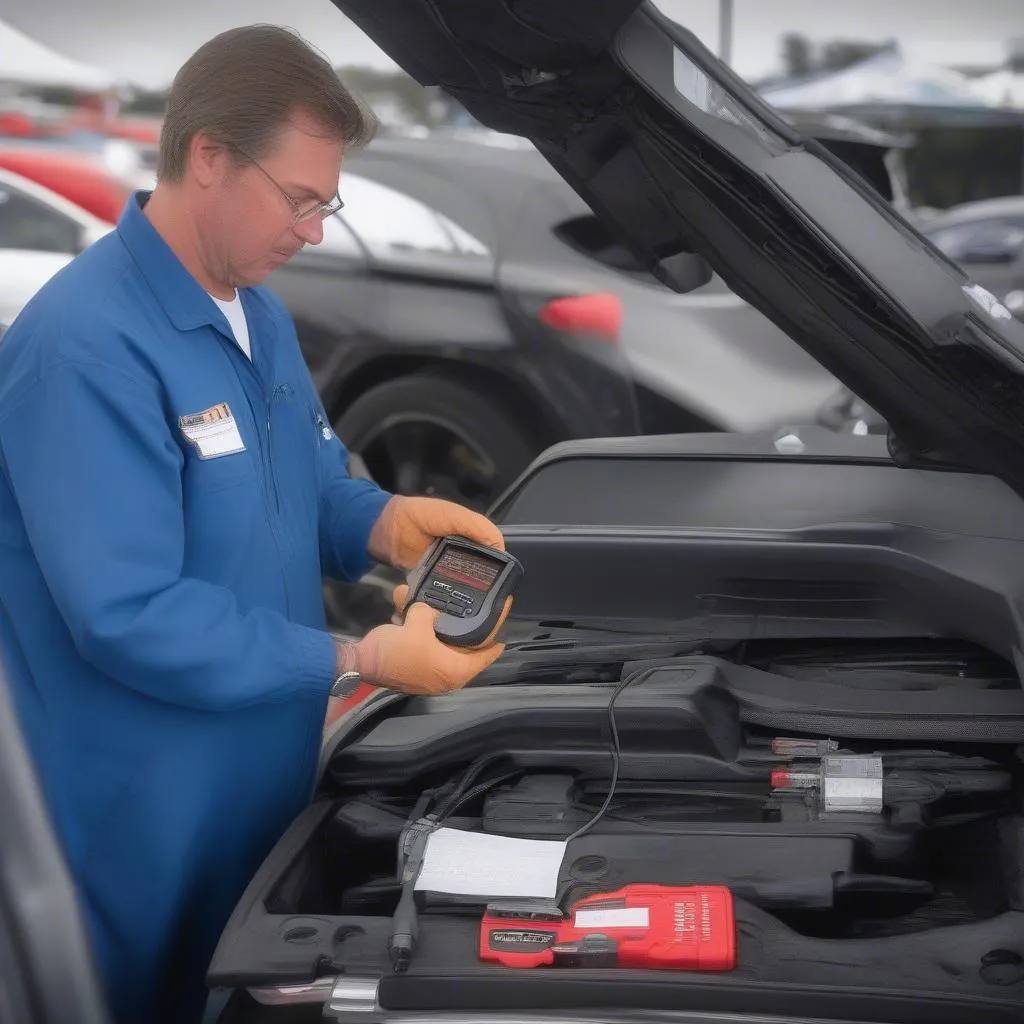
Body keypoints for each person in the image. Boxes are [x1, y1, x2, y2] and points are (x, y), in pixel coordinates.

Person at [0, 25, 510, 1024]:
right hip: (135, 816)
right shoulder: (86, 347)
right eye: (302, 197)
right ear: (207, 158)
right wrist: (359, 656)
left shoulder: (254, 311)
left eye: (329, 202)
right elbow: (126, 612)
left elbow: (307, 484)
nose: (316, 228)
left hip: (255, 788)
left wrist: (390, 523)